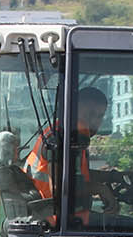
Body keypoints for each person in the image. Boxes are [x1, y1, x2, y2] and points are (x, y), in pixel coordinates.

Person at [23, 87, 121, 224]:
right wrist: (99, 188)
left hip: (67, 217)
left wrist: (112, 176)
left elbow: (77, 176)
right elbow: (59, 187)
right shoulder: (59, 140)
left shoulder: (70, 137)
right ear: (72, 110)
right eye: (89, 114)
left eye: (100, 116)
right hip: (54, 221)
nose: (94, 122)